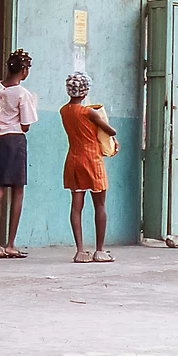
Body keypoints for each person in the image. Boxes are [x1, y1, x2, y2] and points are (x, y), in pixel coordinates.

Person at [60, 72, 117, 264]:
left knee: (76, 206)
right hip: (92, 160)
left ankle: (80, 251)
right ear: (84, 91)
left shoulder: (63, 111)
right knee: (99, 205)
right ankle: (99, 250)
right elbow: (111, 131)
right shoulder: (89, 113)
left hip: (73, 159)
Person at [0, 49, 37, 258]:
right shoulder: (23, 94)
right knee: (17, 190)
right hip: (15, 140)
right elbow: (25, 125)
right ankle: (10, 244)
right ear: (24, 70)